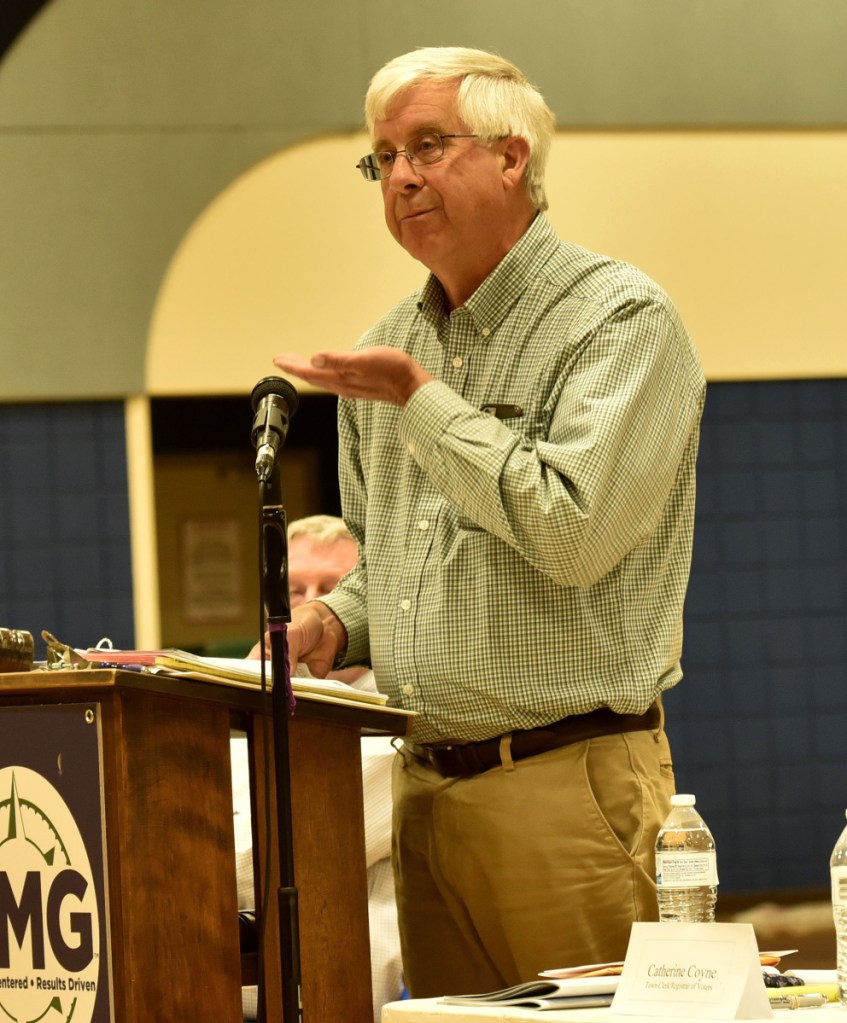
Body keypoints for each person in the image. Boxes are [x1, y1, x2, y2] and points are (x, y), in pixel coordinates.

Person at [270, 46, 706, 998]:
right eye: (381, 157)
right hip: (425, 792)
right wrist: (334, 620)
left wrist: (421, 401)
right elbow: (389, 558)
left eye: (428, 145)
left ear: (513, 157)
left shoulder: (618, 320)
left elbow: (573, 532)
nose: (401, 176)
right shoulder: (390, 342)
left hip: (566, 784)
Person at [234, 515, 403, 1023]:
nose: (307, 608)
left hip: (348, 1002)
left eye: (330, 590)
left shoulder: (396, 726)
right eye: (293, 590)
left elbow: (257, 862)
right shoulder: (240, 712)